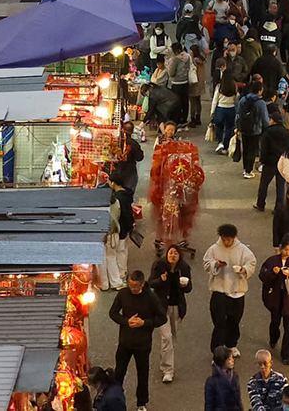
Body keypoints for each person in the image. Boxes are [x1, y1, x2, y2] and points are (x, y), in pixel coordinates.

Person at [109, 270, 167, 411]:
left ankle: (141, 403)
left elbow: (162, 318)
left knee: (143, 374)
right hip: (125, 342)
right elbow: (113, 313)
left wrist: (144, 323)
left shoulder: (151, 298)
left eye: (135, 286)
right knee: (119, 372)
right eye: (130, 285)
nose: (132, 288)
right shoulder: (123, 294)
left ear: (142, 284)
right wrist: (126, 321)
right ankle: (115, 400)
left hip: (143, 344)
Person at [203, 223, 257, 354]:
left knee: (234, 321)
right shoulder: (214, 249)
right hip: (219, 291)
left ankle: (231, 344)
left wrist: (244, 269)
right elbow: (206, 263)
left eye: (229, 239)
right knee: (219, 323)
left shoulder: (243, 249)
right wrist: (215, 264)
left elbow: (252, 263)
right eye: (224, 239)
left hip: (237, 292)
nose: (226, 242)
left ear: (235, 237)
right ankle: (217, 350)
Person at [148, 244, 193, 383]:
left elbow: (189, 288)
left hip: (177, 306)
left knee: (171, 337)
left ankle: (165, 360)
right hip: (161, 307)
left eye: (175, 253)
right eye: (170, 253)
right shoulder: (159, 265)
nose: (172, 256)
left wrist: (185, 285)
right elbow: (150, 283)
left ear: (179, 256)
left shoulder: (184, 268)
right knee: (166, 337)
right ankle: (168, 370)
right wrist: (160, 280)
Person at [259, 235, 289, 365]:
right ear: (280, 249)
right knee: (275, 322)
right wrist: (273, 272)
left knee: (288, 327)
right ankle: (273, 339)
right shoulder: (272, 261)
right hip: (276, 298)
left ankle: (287, 355)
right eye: (285, 250)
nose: (287, 253)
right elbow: (262, 275)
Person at [100, 170, 134, 291]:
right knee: (120, 254)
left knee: (110, 256)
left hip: (116, 232)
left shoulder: (117, 200)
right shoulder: (127, 195)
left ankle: (110, 282)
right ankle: (120, 278)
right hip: (121, 230)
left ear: (113, 183)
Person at [255, 113, 289, 211]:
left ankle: (261, 204)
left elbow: (264, 148)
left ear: (273, 120)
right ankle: (278, 207)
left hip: (269, 162)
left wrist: (262, 160)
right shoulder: (286, 133)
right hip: (282, 162)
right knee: (280, 186)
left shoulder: (268, 132)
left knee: (264, 184)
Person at [236, 80, 270, 179]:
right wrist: (266, 129)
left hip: (244, 128)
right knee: (252, 150)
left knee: (246, 148)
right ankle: (248, 170)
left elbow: (238, 113)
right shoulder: (261, 103)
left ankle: (245, 169)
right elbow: (265, 119)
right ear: (260, 90)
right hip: (255, 130)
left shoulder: (243, 99)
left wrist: (237, 127)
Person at [204, 346, 243, 411]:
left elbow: (238, 399)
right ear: (223, 360)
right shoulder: (211, 382)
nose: (233, 361)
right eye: (230, 359)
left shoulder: (234, 376)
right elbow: (209, 405)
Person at [211, 61, 238, 154]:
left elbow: (215, 100)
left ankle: (220, 142)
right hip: (231, 109)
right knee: (229, 128)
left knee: (219, 127)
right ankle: (226, 146)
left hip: (220, 109)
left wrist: (212, 111)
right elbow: (236, 98)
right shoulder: (234, 87)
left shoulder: (219, 86)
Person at [114, 121, 145, 194]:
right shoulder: (134, 144)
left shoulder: (116, 142)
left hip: (117, 171)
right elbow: (139, 157)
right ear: (133, 131)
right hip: (130, 172)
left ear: (122, 130)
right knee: (128, 194)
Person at [168, 42, 190, 125]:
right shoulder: (187, 57)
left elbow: (171, 72)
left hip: (176, 83)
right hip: (185, 82)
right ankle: (184, 119)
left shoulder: (175, 59)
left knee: (177, 102)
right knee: (185, 102)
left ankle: (177, 119)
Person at [189, 44, 206, 128]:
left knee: (192, 102)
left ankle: (193, 119)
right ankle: (198, 117)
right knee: (198, 101)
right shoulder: (201, 60)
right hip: (201, 83)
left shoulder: (194, 61)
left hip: (194, 83)